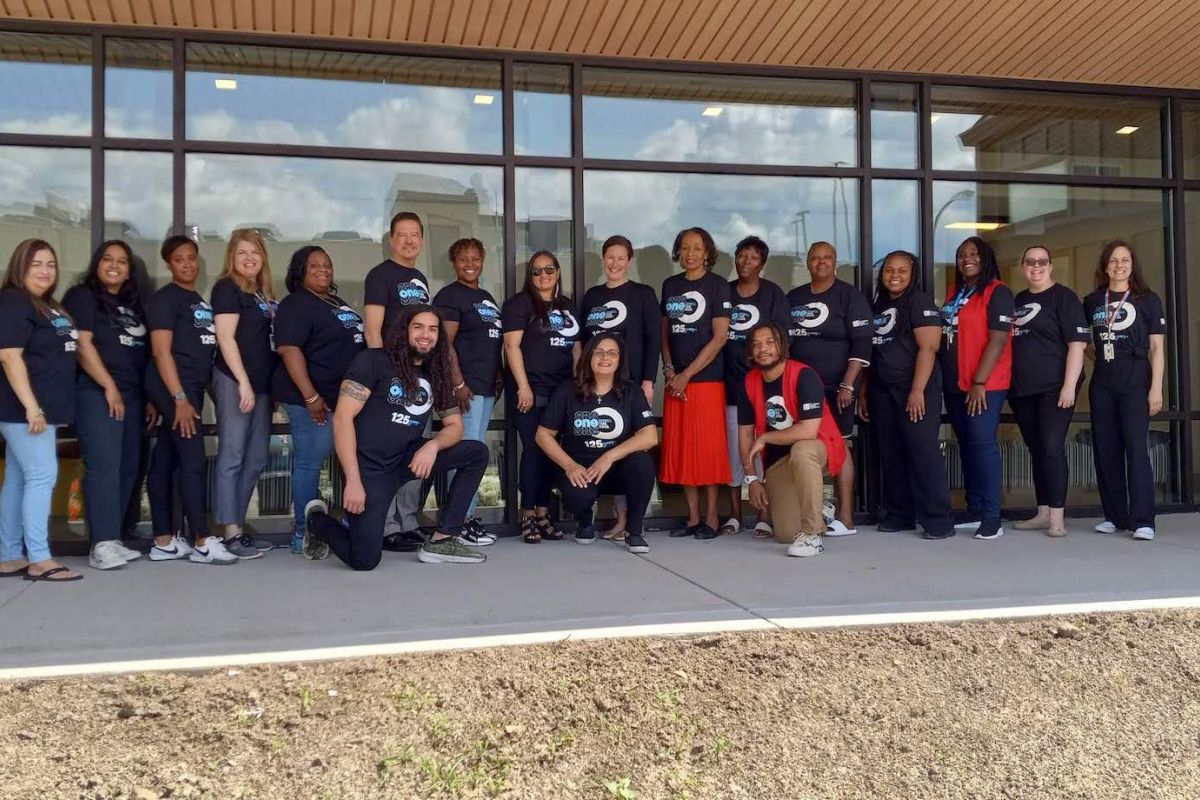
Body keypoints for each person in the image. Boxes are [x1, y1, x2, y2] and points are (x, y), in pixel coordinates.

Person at [303, 304, 490, 568]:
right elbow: (343, 419)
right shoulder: (373, 361)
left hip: (407, 458)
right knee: (365, 560)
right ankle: (318, 521)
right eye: (418, 327)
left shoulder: (436, 373)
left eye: (433, 329)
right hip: (370, 469)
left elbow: (455, 426)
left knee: (476, 453)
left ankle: (442, 539)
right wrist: (353, 481)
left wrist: (433, 446)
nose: (426, 335)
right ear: (404, 331)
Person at [63, 240, 157, 570]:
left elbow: (144, 355)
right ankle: (100, 543)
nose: (114, 265)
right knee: (103, 466)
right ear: (96, 264)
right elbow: (82, 344)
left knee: (128, 466)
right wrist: (108, 386)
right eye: (107, 259)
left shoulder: (131, 304)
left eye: (121, 261)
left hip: (131, 396)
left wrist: (146, 398)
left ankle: (114, 538)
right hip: (96, 391)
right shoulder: (82, 296)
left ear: (130, 270)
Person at [273, 245, 365, 554]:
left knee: (346, 461)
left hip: (344, 400)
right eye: (314, 266)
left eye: (327, 264)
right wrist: (311, 395)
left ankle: (342, 526)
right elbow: (289, 349)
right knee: (311, 462)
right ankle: (303, 532)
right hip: (314, 400)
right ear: (300, 271)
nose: (323, 269)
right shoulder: (294, 304)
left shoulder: (334, 302)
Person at [144, 235, 231, 564]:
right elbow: (161, 351)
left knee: (165, 460)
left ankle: (163, 540)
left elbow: (203, 355)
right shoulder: (165, 299)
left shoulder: (196, 299)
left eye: (192, 258)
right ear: (169, 264)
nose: (187, 264)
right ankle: (202, 540)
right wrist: (178, 398)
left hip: (191, 388)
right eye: (179, 259)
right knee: (193, 462)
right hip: (174, 387)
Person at [0, 239, 82, 582]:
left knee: (19, 480)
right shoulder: (14, 301)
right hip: (26, 412)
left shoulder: (47, 305)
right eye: (36, 264)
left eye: (50, 264)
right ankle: (39, 558)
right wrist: (33, 408)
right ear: (20, 266)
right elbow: (8, 355)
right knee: (42, 476)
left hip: (42, 411)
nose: (45, 271)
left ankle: (9, 555)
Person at [856, 250, 952, 539]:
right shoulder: (878, 305)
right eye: (888, 270)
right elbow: (871, 352)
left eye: (901, 271)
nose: (894, 275)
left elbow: (929, 348)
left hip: (915, 390)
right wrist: (863, 393)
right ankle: (900, 515)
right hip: (882, 390)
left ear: (912, 275)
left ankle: (938, 521)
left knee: (922, 453)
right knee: (892, 453)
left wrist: (917, 390)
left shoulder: (919, 302)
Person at [535, 334, 659, 554]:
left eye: (612, 353)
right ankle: (585, 519)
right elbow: (543, 435)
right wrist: (569, 465)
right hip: (581, 469)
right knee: (577, 497)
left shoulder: (632, 391)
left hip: (617, 469)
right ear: (588, 356)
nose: (605, 357)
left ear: (620, 359)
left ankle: (633, 530)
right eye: (599, 352)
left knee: (642, 463)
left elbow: (650, 436)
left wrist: (609, 456)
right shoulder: (568, 390)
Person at [738, 322, 847, 558]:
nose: (763, 349)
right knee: (786, 533)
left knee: (802, 450)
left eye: (769, 342)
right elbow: (745, 435)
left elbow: (808, 431)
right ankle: (821, 511)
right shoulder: (749, 381)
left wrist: (766, 436)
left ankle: (812, 535)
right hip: (779, 461)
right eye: (756, 344)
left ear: (782, 346)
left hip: (819, 448)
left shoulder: (803, 374)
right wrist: (752, 479)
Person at [786, 241, 872, 537]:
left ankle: (846, 516)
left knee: (840, 446)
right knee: (804, 447)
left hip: (838, 388)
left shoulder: (850, 296)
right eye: (815, 258)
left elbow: (862, 341)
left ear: (835, 262)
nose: (821, 262)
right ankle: (810, 512)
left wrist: (849, 383)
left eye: (827, 257)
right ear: (808, 263)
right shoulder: (794, 297)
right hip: (801, 389)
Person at [578, 234, 660, 540]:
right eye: (609, 257)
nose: (614, 263)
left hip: (631, 387)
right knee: (604, 441)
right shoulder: (592, 296)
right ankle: (616, 516)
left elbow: (653, 341)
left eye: (620, 258)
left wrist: (649, 381)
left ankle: (631, 517)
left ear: (629, 261)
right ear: (603, 260)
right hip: (598, 387)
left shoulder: (642, 294)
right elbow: (586, 344)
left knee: (631, 450)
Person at [1083, 240, 1165, 541]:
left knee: (1136, 449)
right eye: (1114, 260)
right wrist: (1101, 355)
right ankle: (1114, 516)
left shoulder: (1148, 300)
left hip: (1136, 378)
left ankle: (1143, 519)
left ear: (1133, 265)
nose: (1119, 265)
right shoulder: (1092, 301)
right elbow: (1085, 343)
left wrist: (1155, 388)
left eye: (1125, 260)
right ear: (1105, 265)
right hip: (1103, 381)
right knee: (1106, 450)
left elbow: (1157, 348)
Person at [1009, 246, 1089, 538]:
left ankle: (1057, 518)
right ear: (1022, 266)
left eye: (1042, 262)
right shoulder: (1019, 300)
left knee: (1052, 448)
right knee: (1037, 449)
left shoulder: (1064, 297)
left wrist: (1069, 385)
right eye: (1030, 262)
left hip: (1055, 387)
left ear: (1051, 266)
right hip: (1023, 389)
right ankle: (1042, 512)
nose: (1036, 267)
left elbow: (1077, 345)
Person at [502, 251, 581, 543]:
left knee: (553, 453)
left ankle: (543, 512)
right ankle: (527, 514)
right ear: (530, 276)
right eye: (536, 271)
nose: (543, 275)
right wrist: (523, 386)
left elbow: (576, 349)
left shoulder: (568, 306)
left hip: (561, 392)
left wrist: (578, 386)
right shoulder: (519, 304)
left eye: (549, 269)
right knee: (534, 452)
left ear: (558, 272)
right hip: (530, 392)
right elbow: (511, 347)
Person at [940, 236, 1014, 541]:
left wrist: (980, 382)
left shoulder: (998, 292)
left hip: (984, 384)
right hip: (956, 383)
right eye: (961, 255)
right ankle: (974, 509)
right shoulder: (956, 293)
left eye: (973, 254)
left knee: (982, 445)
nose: (966, 259)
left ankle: (992, 517)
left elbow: (998, 339)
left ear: (985, 259)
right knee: (968, 446)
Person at [660, 227, 732, 540]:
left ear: (707, 253)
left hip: (705, 381)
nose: (690, 254)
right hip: (676, 382)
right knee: (683, 452)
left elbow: (720, 338)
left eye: (697, 248)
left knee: (707, 451)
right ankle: (691, 518)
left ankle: (712, 517)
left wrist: (687, 374)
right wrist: (670, 369)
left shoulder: (718, 286)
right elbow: (665, 334)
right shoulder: (670, 285)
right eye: (685, 248)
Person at [211, 228, 277, 559]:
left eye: (255, 252)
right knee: (233, 456)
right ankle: (229, 531)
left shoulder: (261, 294)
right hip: (235, 381)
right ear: (231, 258)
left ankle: (237, 523)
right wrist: (243, 383)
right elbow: (225, 338)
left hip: (262, 385)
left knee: (256, 459)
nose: (249, 258)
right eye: (242, 253)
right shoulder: (227, 288)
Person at [432, 237, 502, 546]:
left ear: (483, 259)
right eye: (463, 258)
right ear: (454, 262)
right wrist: (458, 383)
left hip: (485, 388)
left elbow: (491, 340)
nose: (470, 263)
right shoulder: (450, 296)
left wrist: (498, 374)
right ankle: (458, 522)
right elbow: (443, 344)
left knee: (474, 452)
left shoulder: (485, 296)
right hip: (466, 390)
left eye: (475, 257)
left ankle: (463, 519)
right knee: (467, 454)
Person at [723, 235, 789, 538]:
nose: (746, 262)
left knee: (763, 450)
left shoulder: (772, 294)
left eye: (753, 257)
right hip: (730, 386)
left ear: (762, 263)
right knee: (735, 453)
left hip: (764, 388)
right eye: (742, 256)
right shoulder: (724, 292)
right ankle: (735, 516)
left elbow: (782, 342)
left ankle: (764, 516)